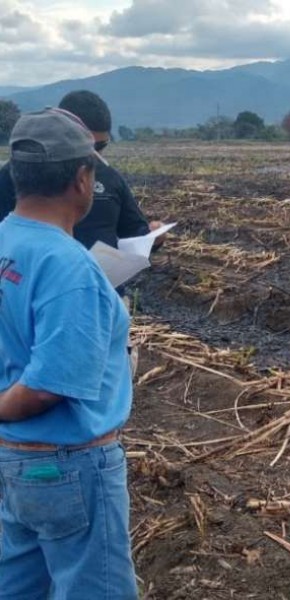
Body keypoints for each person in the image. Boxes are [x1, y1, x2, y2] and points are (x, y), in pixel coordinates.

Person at [0, 108, 137, 598]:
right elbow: (49, 384)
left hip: (15, 462)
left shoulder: (6, 241)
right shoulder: (67, 265)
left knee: (17, 586)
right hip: (68, 465)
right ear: (82, 179)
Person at [0, 89, 164, 250]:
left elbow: (134, 232)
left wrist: (151, 238)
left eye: (101, 146)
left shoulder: (111, 178)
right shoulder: (17, 175)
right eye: (88, 146)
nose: (94, 155)